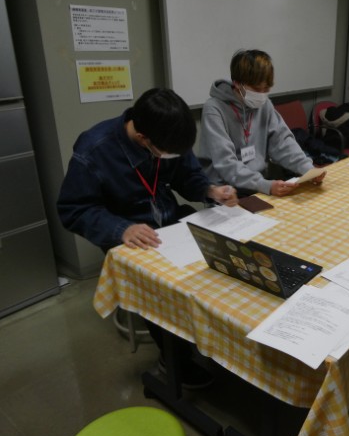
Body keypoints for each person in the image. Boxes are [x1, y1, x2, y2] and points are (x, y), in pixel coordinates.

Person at [57, 87, 238, 387]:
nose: (172, 157)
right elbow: (73, 209)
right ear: (142, 138)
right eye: (166, 152)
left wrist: (210, 190)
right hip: (127, 231)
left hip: (167, 219)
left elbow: (187, 175)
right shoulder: (94, 149)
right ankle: (174, 359)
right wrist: (121, 229)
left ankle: (211, 333)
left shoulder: (168, 134)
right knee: (160, 284)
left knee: (216, 257)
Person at [200, 49, 325, 197]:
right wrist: (265, 185)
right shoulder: (214, 109)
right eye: (256, 89)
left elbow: (283, 143)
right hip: (226, 193)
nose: (261, 95)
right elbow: (226, 163)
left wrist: (307, 169)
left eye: (266, 89)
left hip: (259, 187)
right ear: (237, 83)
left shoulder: (264, 105)